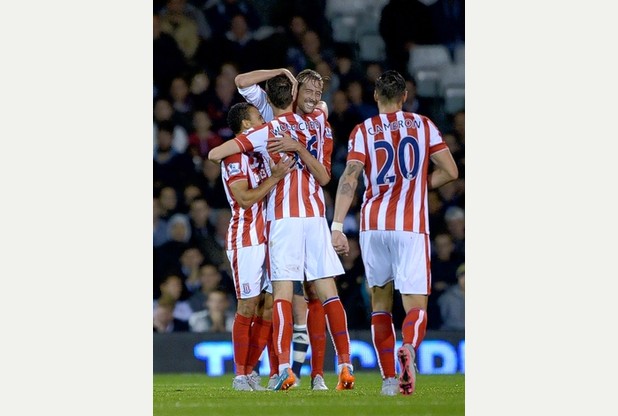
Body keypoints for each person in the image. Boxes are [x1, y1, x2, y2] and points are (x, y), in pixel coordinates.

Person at [208, 74, 355, 392]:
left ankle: (284, 369)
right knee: (323, 293)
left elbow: (214, 153)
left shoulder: (268, 130)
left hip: (282, 223)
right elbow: (326, 175)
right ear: (297, 94)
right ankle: (338, 365)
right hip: (310, 218)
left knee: (281, 298)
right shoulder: (318, 121)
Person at [330, 70, 458, 396]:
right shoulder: (424, 125)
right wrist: (419, 186)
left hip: (373, 227)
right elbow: (451, 171)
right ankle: (410, 348)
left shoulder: (363, 131)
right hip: (410, 226)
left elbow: (351, 177)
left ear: (376, 96)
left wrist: (337, 224)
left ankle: (389, 380)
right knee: (416, 307)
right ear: (404, 97)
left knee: (380, 305)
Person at [220, 102, 295, 391]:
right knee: (248, 306)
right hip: (246, 238)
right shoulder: (234, 157)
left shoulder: (261, 155)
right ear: (246, 125)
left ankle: (251, 371)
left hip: (270, 237)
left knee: (266, 309)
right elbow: (245, 199)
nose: (264, 121)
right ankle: (239, 374)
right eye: (258, 117)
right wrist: (275, 177)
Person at [438, 263, 465, 330]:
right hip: (451, 333)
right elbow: (442, 317)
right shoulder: (447, 296)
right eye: (462, 276)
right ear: (458, 278)